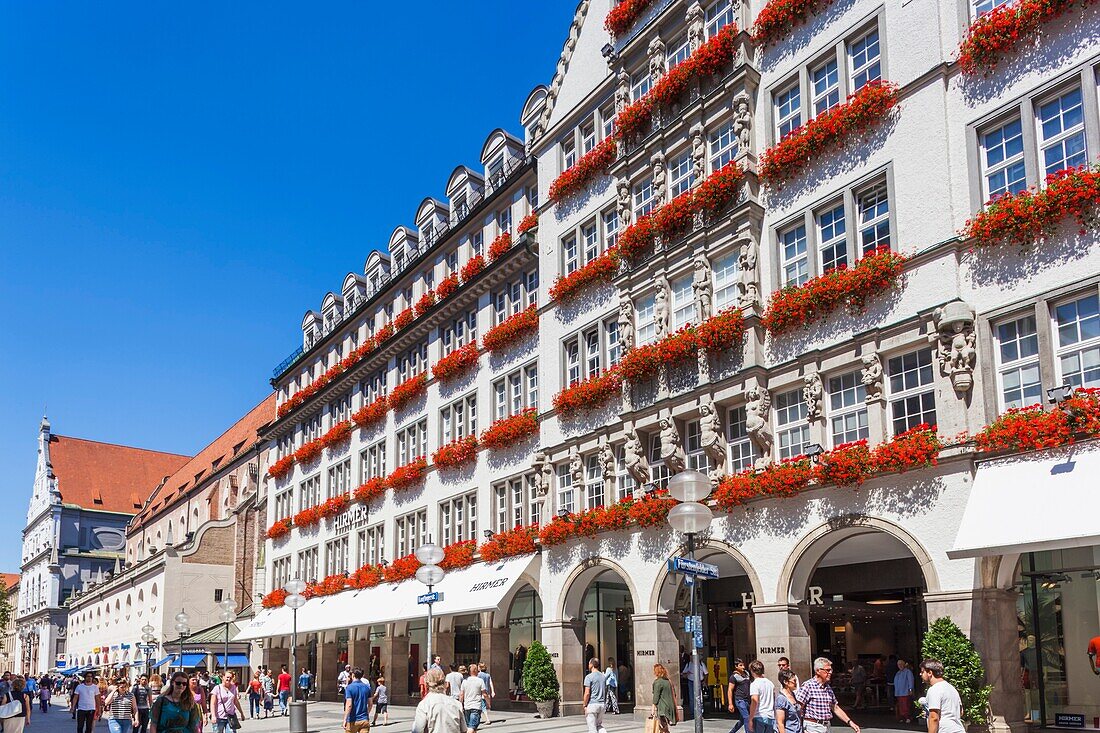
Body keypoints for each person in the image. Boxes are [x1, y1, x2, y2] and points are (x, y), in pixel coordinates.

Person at [795, 658, 860, 733]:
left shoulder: (828, 688)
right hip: (813, 726)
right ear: (818, 671)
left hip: (827, 726)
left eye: (831, 670)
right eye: (827, 670)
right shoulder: (808, 686)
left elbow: (835, 707)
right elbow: (798, 707)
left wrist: (850, 722)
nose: (830, 672)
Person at [412, 669, 463, 733]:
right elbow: (463, 729)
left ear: (427, 684)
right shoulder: (456, 704)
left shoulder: (424, 704)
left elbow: (418, 730)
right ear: (444, 683)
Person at [920, 660, 963, 733]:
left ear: (930, 673)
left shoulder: (934, 689)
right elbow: (961, 712)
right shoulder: (951, 688)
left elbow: (934, 718)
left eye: (922, 672)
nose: (920, 674)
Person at [749, 660, 776, 733]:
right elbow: (773, 700)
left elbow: (754, 701)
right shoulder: (770, 683)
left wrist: (750, 719)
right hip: (770, 716)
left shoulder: (755, 684)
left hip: (759, 716)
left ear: (752, 671)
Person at [459, 663, 487, 733]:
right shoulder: (480, 681)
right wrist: (489, 703)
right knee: (471, 728)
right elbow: (484, 694)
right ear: (475, 670)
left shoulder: (465, 681)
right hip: (476, 707)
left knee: (471, 727)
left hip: (467, 707)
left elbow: (461, 694)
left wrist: (460, 704)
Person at [582, 657, 608, 733]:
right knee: (599, 725)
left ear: (591, 665)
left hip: (592, 704)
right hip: (602, 704)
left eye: (589, 663)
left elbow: (587, 693)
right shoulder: (603, 677)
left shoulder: (589, 677)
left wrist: (584, 705)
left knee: (592, 728)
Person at [727, 658, 752, 733]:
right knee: (746, 717)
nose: (743, 667)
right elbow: (730, 690)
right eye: (740, 665)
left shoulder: (747, 674)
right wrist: (730, 704)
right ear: (736, 666)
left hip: (747, 700)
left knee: (742, 720)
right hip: (740, 700)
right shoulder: (733, 677)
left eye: (743, 665)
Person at [343, 668, 372, 733]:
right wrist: (366, 713)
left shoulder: (349, 688)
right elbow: (370, 704)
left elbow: (349, 705)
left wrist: (345, 719)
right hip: (364, 719)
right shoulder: (367, 687)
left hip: (352, 719)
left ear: (353, 675)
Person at [651, 663, 678, 733]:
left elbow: (655, 698)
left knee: (663, 727)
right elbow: (674, 694)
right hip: (670, 707)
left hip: (663, 708)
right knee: (664, 727)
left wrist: (652, 710)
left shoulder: (658, 682)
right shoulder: (668, 681)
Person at [894, 659, 915, 723]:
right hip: (899, 692)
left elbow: (910, 681)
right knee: (901, 706)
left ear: (904, 665)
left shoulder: (908, 672)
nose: (900, 666)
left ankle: (908, 717)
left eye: (901, 664)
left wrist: (910, 689)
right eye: (898, 665)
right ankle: (902, 717)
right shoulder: (898, 673)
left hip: (905, 692)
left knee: (906, 705)